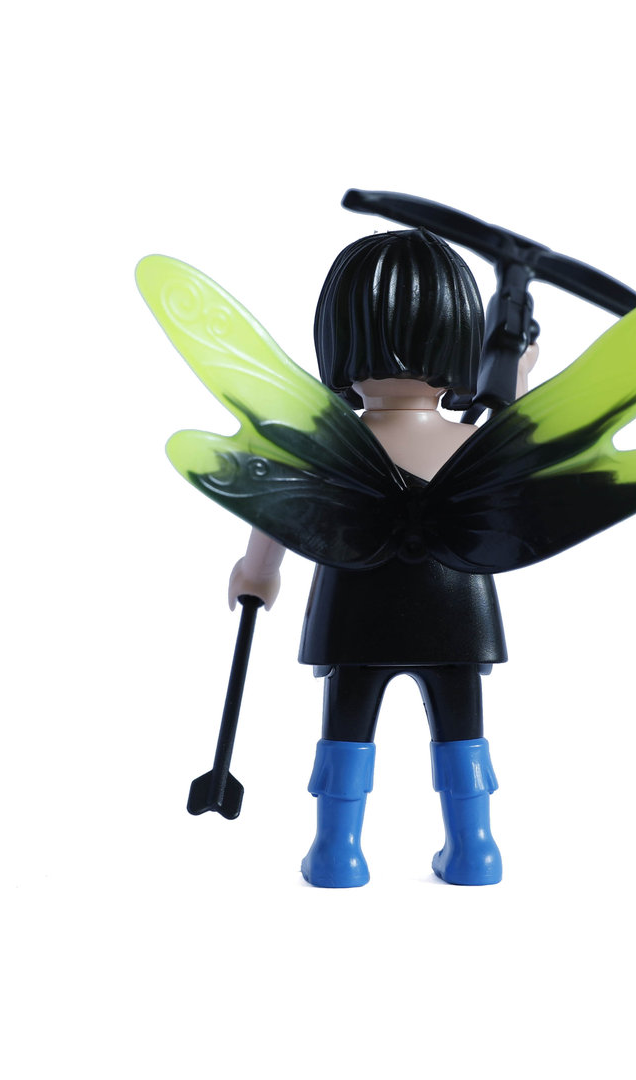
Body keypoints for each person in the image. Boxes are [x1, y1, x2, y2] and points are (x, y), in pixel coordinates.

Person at [228, 229, 538, 888]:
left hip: (355, 606)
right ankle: (475, 850)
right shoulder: (472, 445)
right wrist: (520, 370)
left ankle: (336, 853)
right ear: (460, 339)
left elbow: (281, 511)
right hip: (457, 609)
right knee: (462, 728)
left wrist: (258, 573)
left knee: (346, 727)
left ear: (340, 340)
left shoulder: (328, 446)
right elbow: (512, 455)